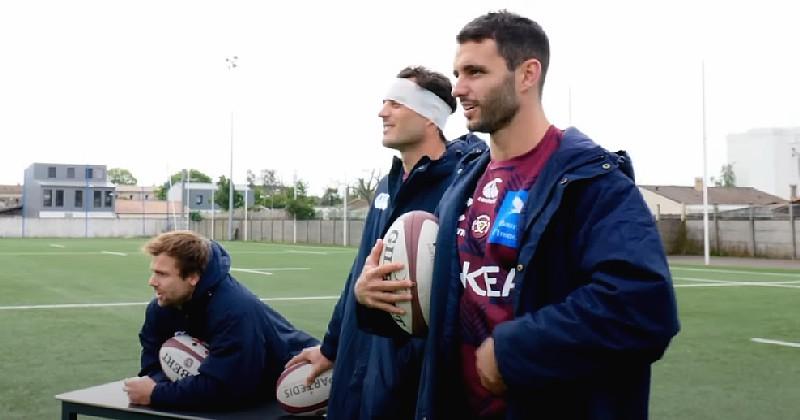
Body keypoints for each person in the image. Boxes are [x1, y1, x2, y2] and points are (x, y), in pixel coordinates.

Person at [355, 10, 680, 420]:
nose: (458, 89)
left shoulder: (592, 182)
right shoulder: (462, 188)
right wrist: (378, 302)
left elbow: (643, 307)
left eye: (475, 72)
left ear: (527, 74)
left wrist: (515, 351)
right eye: (458, 73)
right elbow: (441, 312)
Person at [285, 66, 486, 419]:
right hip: (358, 362)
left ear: (428, 116)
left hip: (410, 373)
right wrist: (331, 348)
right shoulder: (386, 186)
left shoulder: (462, 185)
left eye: (395, 104)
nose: (382, 112)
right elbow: (357, 277)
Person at [123, 230, 318, 409]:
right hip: (248, 389)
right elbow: (151, 361)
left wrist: (157, 394)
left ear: (192, 277)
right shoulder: (161, 308)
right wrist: (158, 383)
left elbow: (227, 389)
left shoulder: (234, 310)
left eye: (162, 274)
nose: (152, 282)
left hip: (302, 379)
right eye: (153, 272)